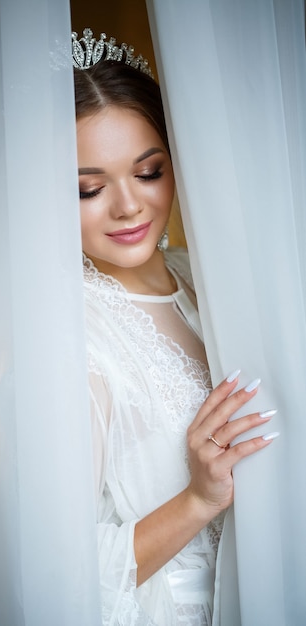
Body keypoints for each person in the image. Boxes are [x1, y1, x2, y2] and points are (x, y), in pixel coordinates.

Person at [72, 29, 279, 626]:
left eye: (148, 171)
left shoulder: (210, 281)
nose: (129, 206)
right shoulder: (69, 339)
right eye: (88, 188)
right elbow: (59, 571)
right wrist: (197, 499)